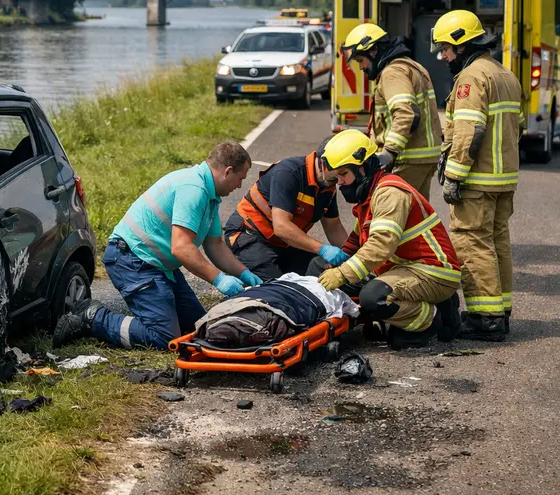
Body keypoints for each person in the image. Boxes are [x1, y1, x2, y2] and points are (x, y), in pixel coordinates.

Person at [53, 142, 263, 349]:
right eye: (240, 178)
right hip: (132, 260)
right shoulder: (194, 189)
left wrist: (244, 273)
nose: (239, 185)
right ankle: (92, 318)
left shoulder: (210, 196)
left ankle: (132, 316)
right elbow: (181, 248)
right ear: (227, 171)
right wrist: (219, 279)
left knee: (196, 328)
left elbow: (215, 244)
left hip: (156, 265)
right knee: (164, 337)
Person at [313, 129, 462, 349]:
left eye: (343, 174)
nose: (340, 183)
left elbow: (379, 246)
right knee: (318, 266)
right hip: (402, 269)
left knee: (374, 298)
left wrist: (342, 273)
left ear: (361, 168)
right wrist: (333, 263)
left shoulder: (389, 193)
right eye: (336, 177)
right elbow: (357, 241)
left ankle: (432, 319)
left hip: (432, 271)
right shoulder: (371, 194)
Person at [432, 9, 522, 342]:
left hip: (477, 180)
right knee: (498, 243)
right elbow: (517, 128)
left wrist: (454, 176)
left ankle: (486, 318)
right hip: (503, 179)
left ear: (462, 44)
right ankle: (500, 310)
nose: (443, 56)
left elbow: (470, 130)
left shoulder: (471, 78)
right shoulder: (505, 75)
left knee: (471, 244)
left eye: (446, 48)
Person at [222, 140, 350, 281]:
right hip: (249, 236)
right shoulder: (288, 173)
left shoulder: (327, 185)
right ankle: (241, 266)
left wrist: (354, 260)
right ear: (324, 163)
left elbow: (334, 228)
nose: (341, 181)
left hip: (284, 243)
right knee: (280, 290)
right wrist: (322, 249)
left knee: (322, 275)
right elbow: (281, 227)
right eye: (341, 173)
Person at [341, 23, 444, 198]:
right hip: (422, 158)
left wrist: (388, 153)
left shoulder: (393, 73)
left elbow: (406, 113)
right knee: (414, 216)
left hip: (407, 159)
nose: (361, 67)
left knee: (389, 215)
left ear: (373, 51)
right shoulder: (413, 67)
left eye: (361, 60)